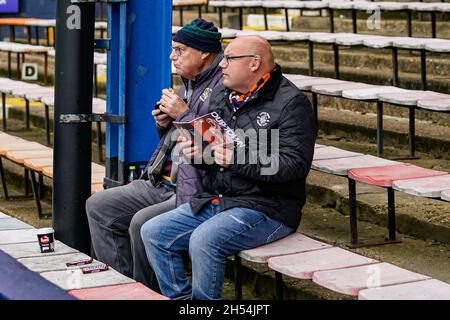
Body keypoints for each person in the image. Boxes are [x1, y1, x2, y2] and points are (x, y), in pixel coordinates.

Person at [140, 36, 318, 300]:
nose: (221, 64)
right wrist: (199, 155)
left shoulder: (292, 104)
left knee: (203, 240)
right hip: (221, 199)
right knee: (153, 232)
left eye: (229, 59)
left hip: (269, 207)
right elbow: (216, 150)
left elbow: (293, 165)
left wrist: (235, 158)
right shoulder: (225, 94)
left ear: (254, 63)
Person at [85, 19, 223, 290]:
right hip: (162, 180)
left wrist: (182, 113)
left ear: (204, 52)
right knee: (99, 206)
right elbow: (181, 140)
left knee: (141, 223)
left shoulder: (223, 86)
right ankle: (122, 289)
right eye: (173, 49)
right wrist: (164, 125)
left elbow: (219, 142)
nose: (173, 56)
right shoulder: (188, 84)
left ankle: (147, 293)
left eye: (180, 49)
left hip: (197, 190)